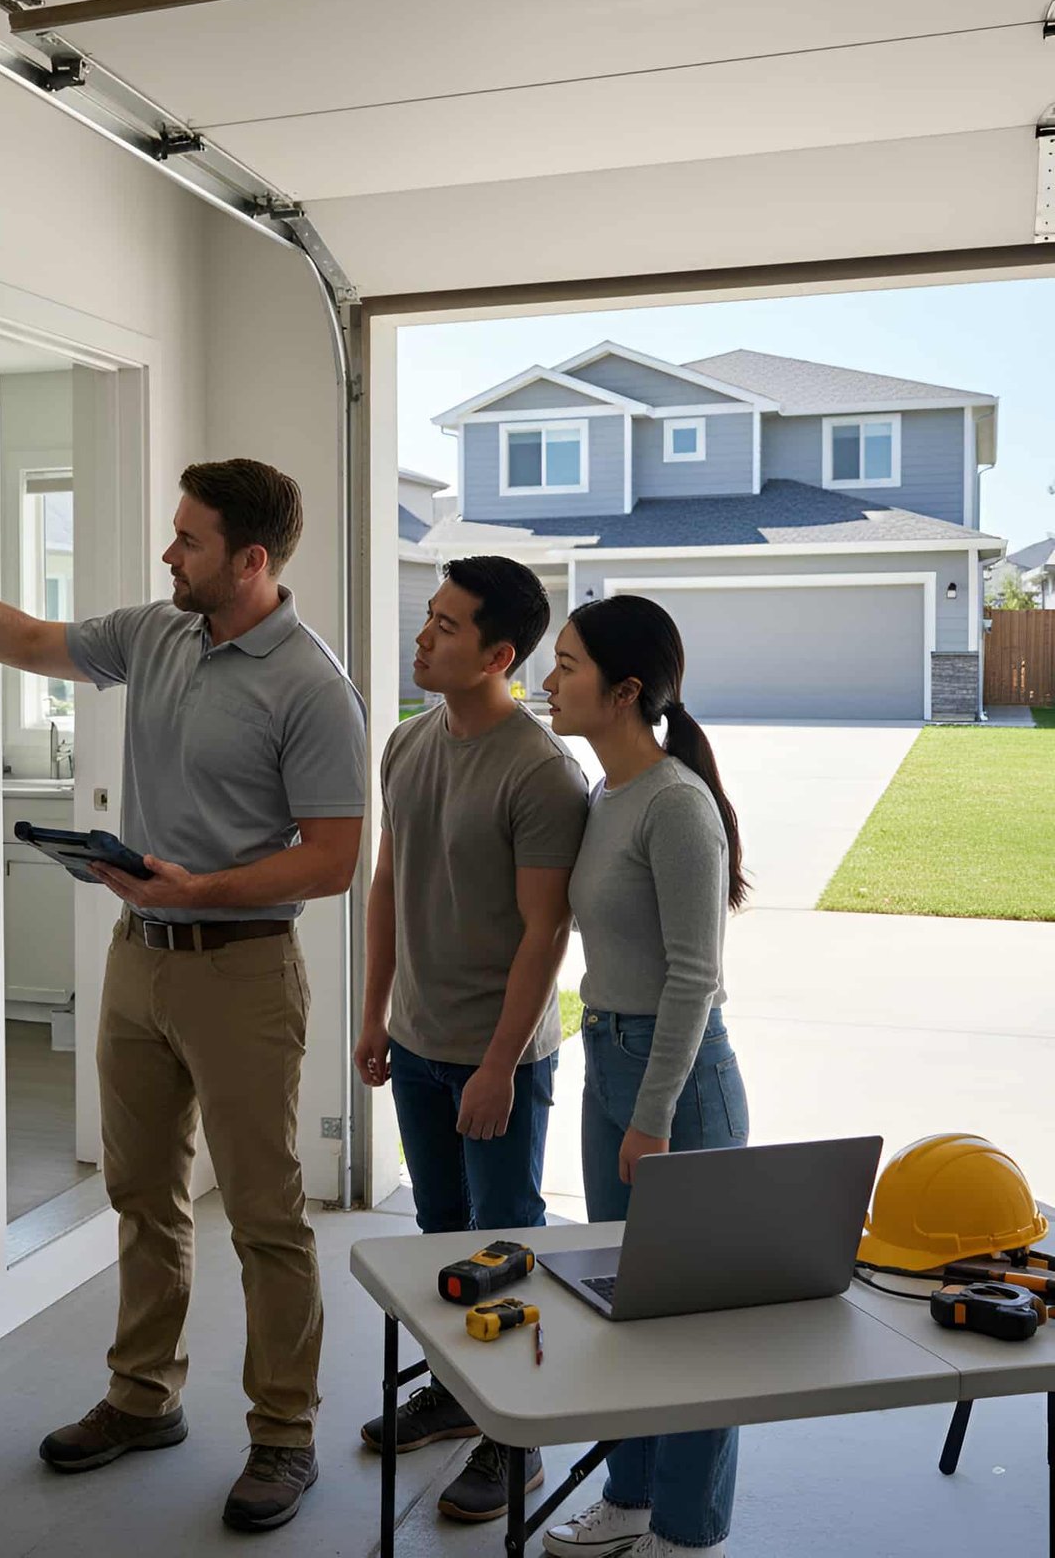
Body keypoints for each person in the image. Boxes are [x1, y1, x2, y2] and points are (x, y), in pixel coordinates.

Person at [0, 459, 367, 1534]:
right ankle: (143, 1396)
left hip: (246, 971)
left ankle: (283, 1434)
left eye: (189, 540)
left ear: (252, 560)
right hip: (138, 958)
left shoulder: (313, 685)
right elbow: (32, 641)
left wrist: (204, 887)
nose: (168, 554)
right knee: (140, 1190)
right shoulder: (157, 631)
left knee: (266, 1214)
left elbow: (333, 859)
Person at [354, 557, 587, 1523]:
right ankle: (458, 1395)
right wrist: (373, 1016)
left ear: (499, 654)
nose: (422, 637)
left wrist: (498, 1064)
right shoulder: (407, 746)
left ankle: (516, 1441)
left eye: (446, 628)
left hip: (501, 1058)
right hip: (416, 1043)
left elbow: (547, 932)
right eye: (427, 619)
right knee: (439, 1238)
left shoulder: (542, 772)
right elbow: (388, 886)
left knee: (504, 1244)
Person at [538, 594, 750, 1558]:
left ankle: (683, 1528)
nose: (549, 679)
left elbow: (695, 977)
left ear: (624, 691)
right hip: (609, 1058)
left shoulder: (676, 804)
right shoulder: (608, 796)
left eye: (568, 663)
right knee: (623, 1301)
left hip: (678, 1081)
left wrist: (653, 1118)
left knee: (694, 1322)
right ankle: (627, 1496)